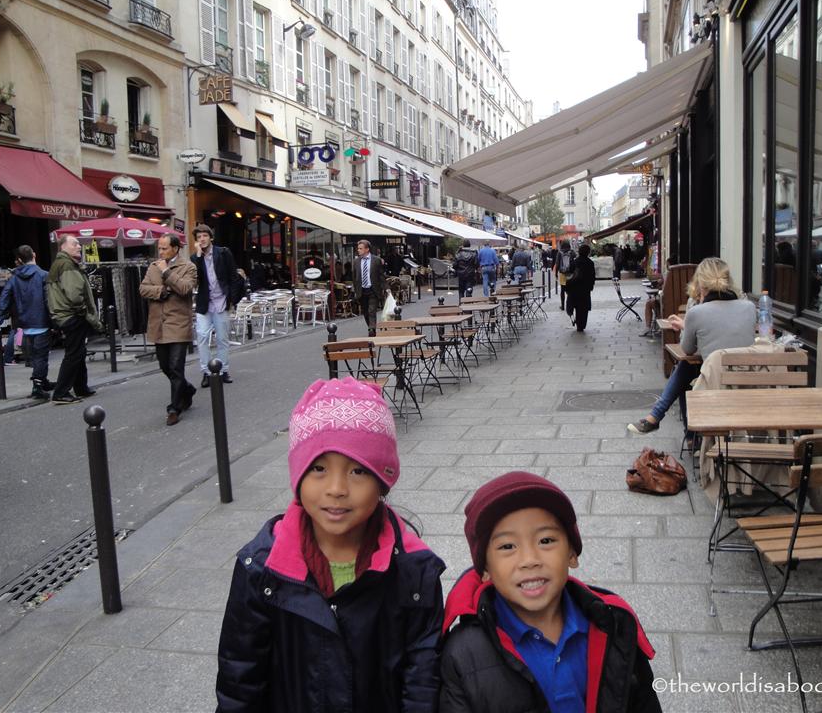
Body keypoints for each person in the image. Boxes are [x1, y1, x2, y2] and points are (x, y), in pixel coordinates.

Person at [215, 377, 445, 711]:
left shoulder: (413, 571)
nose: (336, 488)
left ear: (383, 480)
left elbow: (422, 679)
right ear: (298, 476)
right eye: (319, 468)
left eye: (358, 471)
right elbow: (241, 679)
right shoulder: (262, 569)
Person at [439, 472, 660, 712]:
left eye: (545, 541)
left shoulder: (613, 623)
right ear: (485, 570)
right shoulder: (463, 653)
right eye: (507, 546)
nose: (529, 560)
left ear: (572, 554)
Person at [629, 257, 756, 434]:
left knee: (685, 368)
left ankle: (676, 427)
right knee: (687, 369)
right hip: (748, 379)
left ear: (701, 284)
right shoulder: (749, 307)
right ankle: (661, 420)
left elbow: (687, 349)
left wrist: (686, 326)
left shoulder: (697, 312)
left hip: (715, 380)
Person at [139, 234, 197, 427]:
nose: (161, 252)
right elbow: (143, 289)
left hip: (178, 323)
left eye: (164, 248)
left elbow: (185, 288)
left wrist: (166, 273)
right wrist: (160, 291)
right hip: (158, 325)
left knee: (175, 367)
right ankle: (187, 389)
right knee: (165, 366)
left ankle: (174, 408)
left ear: (175, 249)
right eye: (160, 248)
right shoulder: (153, 266)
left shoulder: (188, 267)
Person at [47, 235, 102, 404]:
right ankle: (61, 392)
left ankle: (80, 387)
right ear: (63, 247)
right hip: (71, 315)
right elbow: (74, 294)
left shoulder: (63, 264)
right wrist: (84, 312)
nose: (79, 246)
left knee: (78, 352)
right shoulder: (66, 265)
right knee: (74, 354)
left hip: (67, 314)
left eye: (78, 244)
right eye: (75, 244)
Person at [0, 245, 53, 400]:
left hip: (25, 322)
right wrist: (55, 319)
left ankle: (42, 381)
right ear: (34, 255)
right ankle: (38, 384)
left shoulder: (14, 278)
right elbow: (49, 300)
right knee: (41, 356)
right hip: (41, 321)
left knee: (35, 355)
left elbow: (5, 297)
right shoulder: (43, 275)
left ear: (19, 260)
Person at [191, 224, 238, 388]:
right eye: (198, 237)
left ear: (210, 237)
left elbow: (233, 276)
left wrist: (232, 300)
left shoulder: (223, 253)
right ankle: (206, 372)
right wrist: (198, 257)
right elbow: (195, 279)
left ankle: (224, 370)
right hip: (205, 303)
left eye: (204, 236)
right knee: (202, 337)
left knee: (222, 339)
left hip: (221, 301)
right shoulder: (194, 258)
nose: (202, 239)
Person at [352, 239, 385, 337]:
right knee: (365, 312)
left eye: (360, 248)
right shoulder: (356, 262)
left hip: (373, 290)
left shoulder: (376, 260)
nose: (358, 250)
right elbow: (354, 277)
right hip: (362, 290)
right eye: (358, 248)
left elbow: (381, 276)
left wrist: (386, 288)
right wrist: (355, 290)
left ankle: (372, 329)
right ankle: (370, 326)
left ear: (367, 249)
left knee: (372, 310)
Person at [566, 243, 596, 332]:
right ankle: (581, 325)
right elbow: (592, 276)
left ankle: (575, 320)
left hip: (574, 288)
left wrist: (567, 287)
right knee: (583, 308)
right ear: (588, 252)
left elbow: (569, 275)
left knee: (574, 305)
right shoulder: (590, 263)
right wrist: (591, 286)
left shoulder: (574, 262)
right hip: (585, 289)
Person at [553, 239, 573, 312]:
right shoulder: (571, 252)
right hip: (570, 273)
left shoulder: (559, 253)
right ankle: (570, 304)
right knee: (570, 290)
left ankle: (563, 306)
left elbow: (557, 264)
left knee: (562, 290)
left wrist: (556, 273)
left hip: (562, 273)